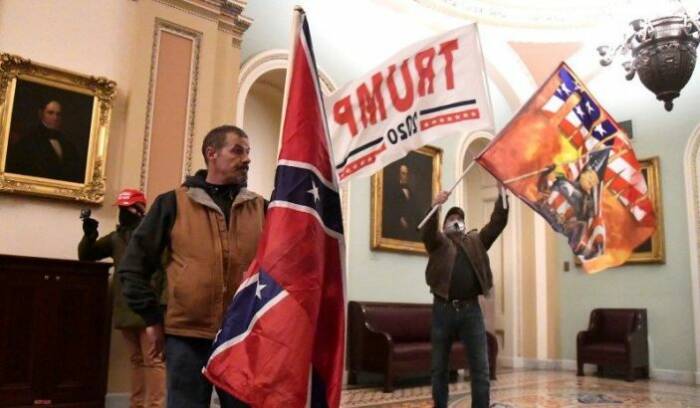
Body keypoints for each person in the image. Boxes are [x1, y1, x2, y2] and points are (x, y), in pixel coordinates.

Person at [118, 125, 266, 408]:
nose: (247, 159)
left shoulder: (261, 208)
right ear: (212, 153)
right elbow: (133, 267)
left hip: (244, 337)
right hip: (187, 336)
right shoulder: (173, 203)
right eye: (238, 150)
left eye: (248, 152)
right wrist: (151, 318)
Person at [78, 188, 166, 408]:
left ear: (139, 209)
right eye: (121, 208)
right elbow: (87, 255)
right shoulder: (117, 237)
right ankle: (136, 404)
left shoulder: (153, 234)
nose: (123, 212)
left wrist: (158, 308)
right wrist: (89, 236)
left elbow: (163, 273)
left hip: (148, 308)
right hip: (125, 307)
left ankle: (155, 405)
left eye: (127, 208)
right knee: (137, 361)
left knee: (154, 361)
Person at [421, 190, 508, 408]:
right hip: (442, 311)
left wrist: (502, 194)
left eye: (459, 219)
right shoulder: (438, 243)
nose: (456, 222)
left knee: (480, 368)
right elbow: (428, 231)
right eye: (451, 219)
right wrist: (435, 207)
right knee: (439, 368)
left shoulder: (476, 241)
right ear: (445, 225)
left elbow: (497, 223)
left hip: (471, 312)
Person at [6, 100, 83, 182]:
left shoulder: (67, 144)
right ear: (41, 114)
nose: (55, 118)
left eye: (58, 114)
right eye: (50, 113)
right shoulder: (29, 141)